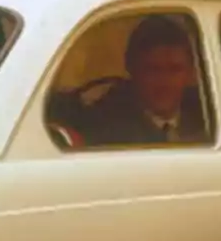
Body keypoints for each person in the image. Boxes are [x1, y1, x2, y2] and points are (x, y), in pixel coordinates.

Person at [82, 15, 211, 147]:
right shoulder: (108, 130)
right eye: (153, 70)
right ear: (132, 70)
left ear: (191, 72)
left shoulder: (209, 118)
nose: (164, 82)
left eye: (175, 69)